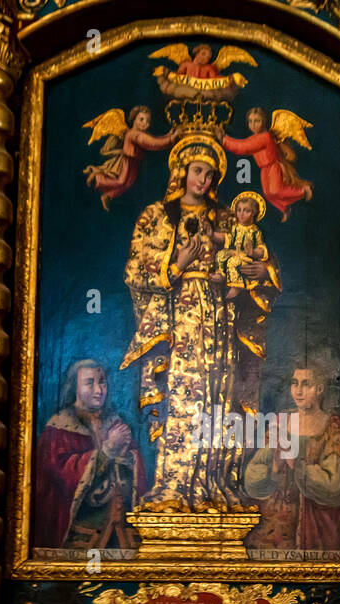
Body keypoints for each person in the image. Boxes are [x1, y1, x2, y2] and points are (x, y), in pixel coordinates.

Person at [120, 132, 277, 508]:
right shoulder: (157, 216)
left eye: (209, 174)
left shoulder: (228, 217)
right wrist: (177, 266)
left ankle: (212, 485)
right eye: (197, 171)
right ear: (182, 172)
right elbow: (135, 271)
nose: (204, 180)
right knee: (185, 396)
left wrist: (259, 272)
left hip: (221, 314)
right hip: (181, 318)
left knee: (219, 397)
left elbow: (261, 264)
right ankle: (175, 487)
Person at [34, 359, 146, 550]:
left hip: (120, 537)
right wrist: (108, 450)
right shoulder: (59, 428)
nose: (98, 390)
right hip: (81, 536)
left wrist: (129, 458)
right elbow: (60, 476)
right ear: (75, 389)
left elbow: (137, 473)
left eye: (102, 382)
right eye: (89, 382)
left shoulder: (115, 423)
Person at [243, 360, 340, 552]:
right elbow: (253, 474)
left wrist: (297, 465)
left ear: (319, 389)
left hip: (317, 521)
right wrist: (273, 468)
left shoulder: (334, 427)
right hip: (275, 523)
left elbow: (334, 485)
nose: (298, 391)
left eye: (306, 384)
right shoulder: (280, 423)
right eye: (294, 383)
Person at [222, 107, 314, 222]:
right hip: (264, 169)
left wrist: (224, 139)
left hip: (273, 167)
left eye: (257, 121)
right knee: (268, 193)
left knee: (275, 191)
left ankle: (303, 191)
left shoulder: (265, 137)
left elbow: (242, 147)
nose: (253, 125)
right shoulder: (255, 138)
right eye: (250, 121)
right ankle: (285, 208)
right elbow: (244, 146)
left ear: (264, 121)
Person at [83, 106, 179, 211]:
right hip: (128, 161)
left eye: (148, 121)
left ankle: (107, 196)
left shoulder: (139, 134)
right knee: (121, 181)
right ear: (134, 119)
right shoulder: (134, 134)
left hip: (135, 161)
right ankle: (97, 177)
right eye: (141, 119)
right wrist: (171, 138)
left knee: (128, 184)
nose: (145, 123)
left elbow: (154, 140)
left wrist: (168, 135)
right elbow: (153, 144)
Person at [211, 191, 271, 302]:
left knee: (232, 262)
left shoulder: (255, 231)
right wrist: (212, 235)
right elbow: (226, 237)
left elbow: (261, 248)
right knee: (220, 255)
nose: (241, 214)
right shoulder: (235, 228)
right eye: (239, 210)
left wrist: (253, 252)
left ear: (254, 213)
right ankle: (221, 274)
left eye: (246, 211)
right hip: (234, 252)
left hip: (245, 257)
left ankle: (236, 286)